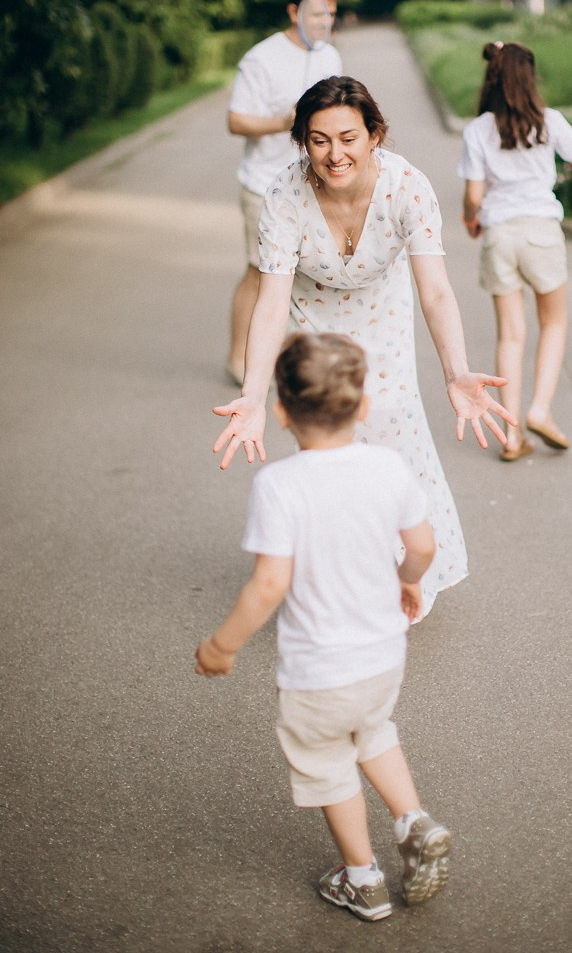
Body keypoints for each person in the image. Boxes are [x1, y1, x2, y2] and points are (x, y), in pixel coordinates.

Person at [213, 75, 512, 617]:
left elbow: (436, 291)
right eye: (320, 139)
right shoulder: (283, 196)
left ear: (374, 134)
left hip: (383, 314)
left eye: (348, 137)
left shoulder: (408, 187)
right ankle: (341, 579)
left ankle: (407, 574)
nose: (335, 154)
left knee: (395, 431)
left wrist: (456, 373)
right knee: (328, 445)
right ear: (303, 141)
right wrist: (255, 398)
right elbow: (272, 301)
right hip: (313, 321)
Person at [196, 332, 452, 922]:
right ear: (363, 408)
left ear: (280, 411)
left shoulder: (279, 486)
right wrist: (408, 579)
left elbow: (267, 585)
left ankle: (363, 879)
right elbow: (422, 545)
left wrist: (221, 645)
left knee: (328, 759)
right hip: (384, 655)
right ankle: (413, 820)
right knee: (373, 729)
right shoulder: (389, 467)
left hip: (319, 670)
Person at [459, 41, 572, 460]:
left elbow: (472, 196)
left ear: (493, 79)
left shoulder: (477, 129)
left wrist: (472, 218)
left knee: (511, 334)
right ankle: (540, 408)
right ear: (529, 79)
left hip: (499, 234)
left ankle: (513, 435)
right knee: (553, 324)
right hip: (541, 233)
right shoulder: (549, 121)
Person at [226, 0, 341, 386]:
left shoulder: (330, 56)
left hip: (314, 185)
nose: (323, 21)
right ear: (294, 12)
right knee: (261, 273)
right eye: (315, 13)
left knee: (312, 275)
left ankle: (299, 360)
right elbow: (235, 120)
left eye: (330, 12)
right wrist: (284, 121)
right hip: (263, 184)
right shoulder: (262, 58)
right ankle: (240, 357)